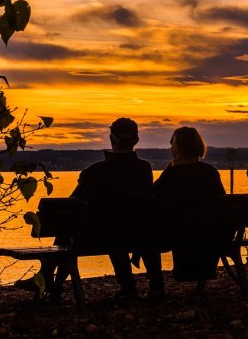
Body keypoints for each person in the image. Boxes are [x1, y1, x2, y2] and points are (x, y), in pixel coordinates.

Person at [45, 118, 164, 300]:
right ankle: (155, 286)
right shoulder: (144, 169)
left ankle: (50, 282)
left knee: (70, 226)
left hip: (103, 236)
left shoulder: (96, 170)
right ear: (136, 141)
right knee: (122, 225)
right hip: (140, 234)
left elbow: (71, 204)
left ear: (111, 138)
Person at [152, 126, 226, 293]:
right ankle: (200, 281)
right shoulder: (210, 172)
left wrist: (169, 168)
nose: (170, 148)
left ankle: (156, 287)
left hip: (180, 233)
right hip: (211, 233)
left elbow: (153, 195)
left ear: (177, 147)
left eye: (171, 144)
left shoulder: (172, 174)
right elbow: (222, 201)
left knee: (148, 235)